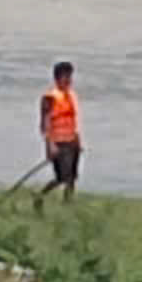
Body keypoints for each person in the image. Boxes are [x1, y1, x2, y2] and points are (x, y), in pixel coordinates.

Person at [35, 60, 83, 207]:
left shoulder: (70, 95)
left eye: (70, 76)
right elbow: (45, 123)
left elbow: (74, 120)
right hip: (58, 142)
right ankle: (39, 196)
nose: (68, 80)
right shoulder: (49, 98)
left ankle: (68, 203)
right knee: (62, 177)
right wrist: (50, 145)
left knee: (72, 177)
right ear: (57, 78)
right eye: (65, 77)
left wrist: (78, 140)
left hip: (71, 140)